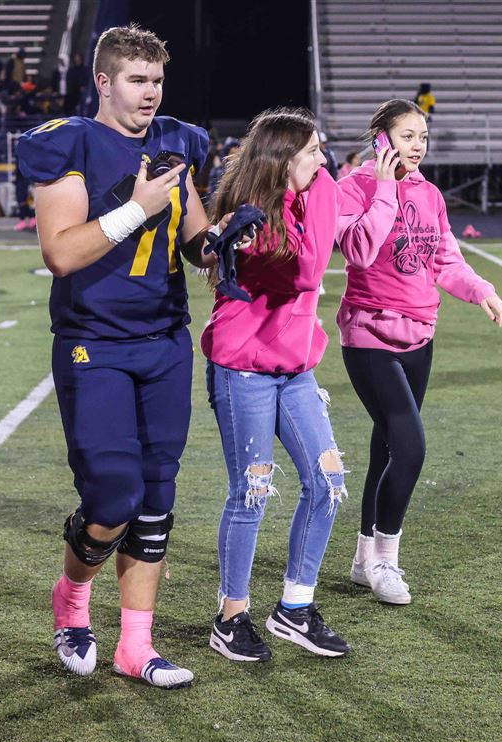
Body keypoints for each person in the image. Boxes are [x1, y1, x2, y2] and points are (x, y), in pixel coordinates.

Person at [16, 24, 220, 689]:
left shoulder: (177, 142)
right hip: (92, 340)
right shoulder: (68, 143)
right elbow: (63, 251)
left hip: (164, 339)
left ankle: (138, 643)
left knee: (157, 497)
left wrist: (221, 246)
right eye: (137, 80)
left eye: (157, 80)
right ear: (103, 82)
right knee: (113, 493)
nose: (150, 93)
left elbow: (193, 235)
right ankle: (72, 597)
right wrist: (136, 208)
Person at [336, 99, 502, 605]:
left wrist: (481, 290)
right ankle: (387, 561)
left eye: (423, 137)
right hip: (369, 333)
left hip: (420, 335)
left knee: (386, 447)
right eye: (408, 135)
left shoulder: (431, 195)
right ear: (382, 139)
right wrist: (386, 189)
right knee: (411, 447)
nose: (418, 145)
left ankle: (363, 556)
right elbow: (360, 251)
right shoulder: (352, 189)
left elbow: (445, 259)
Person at [200, 108, 350, 661]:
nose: (323, 159)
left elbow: (327, 225)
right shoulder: (251, 219)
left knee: (327, 483)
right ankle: (230, 616)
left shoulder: (317, 191)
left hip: (296, 369)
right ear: (281, 159)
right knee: (252, 492)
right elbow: (309, 272)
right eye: (311, 151)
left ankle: (294, 607)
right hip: (244, 367)